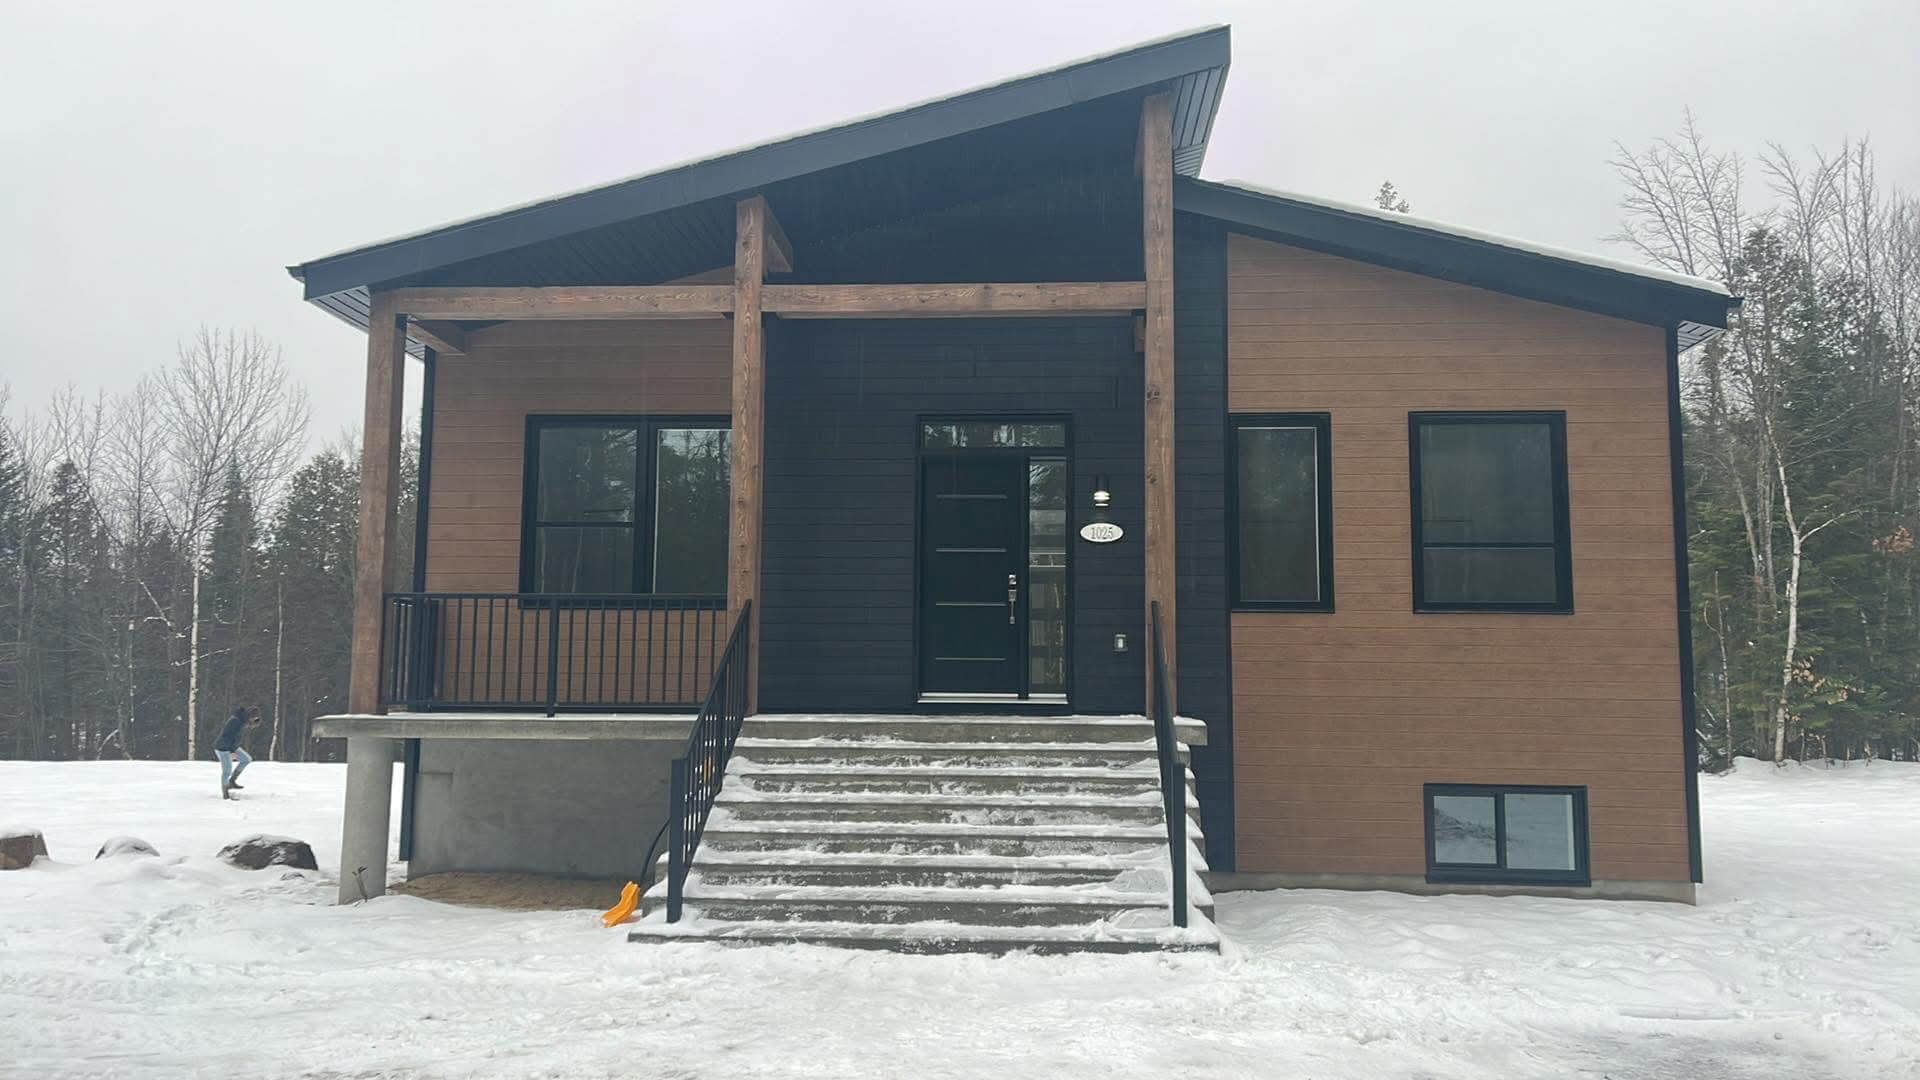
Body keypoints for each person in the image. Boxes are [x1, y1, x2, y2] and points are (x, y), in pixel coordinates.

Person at [215, 706, 262, 799]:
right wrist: (232, 751)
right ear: (249, 716)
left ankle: (232, 781)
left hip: (232, 746)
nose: (252, 723)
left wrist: (234, 748)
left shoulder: (242, 720)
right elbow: (228, 736)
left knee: (246, 759)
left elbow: (236, 738)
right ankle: (225, 793)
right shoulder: (236, 721)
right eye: (253, 719)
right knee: (227, 771)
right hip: (223, 748)